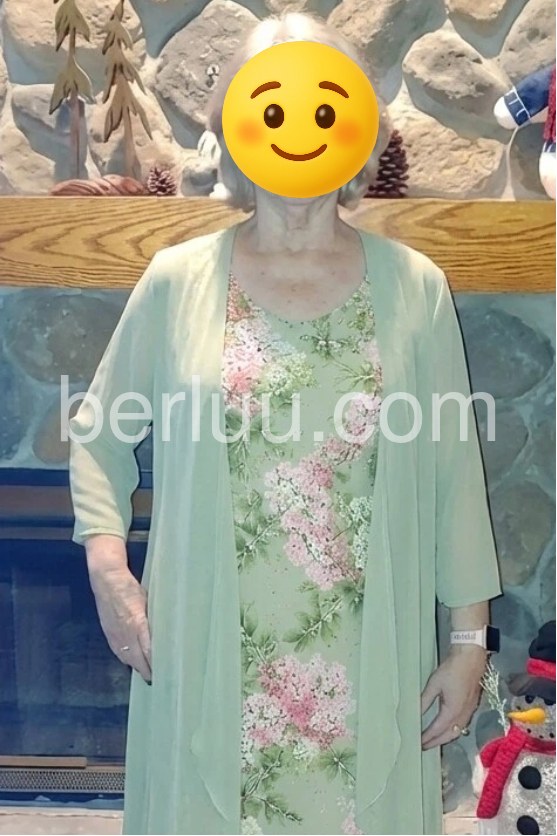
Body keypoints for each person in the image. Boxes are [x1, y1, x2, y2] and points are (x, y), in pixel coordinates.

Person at [69, 12, 502, 836]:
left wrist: (468, 641)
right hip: (206, 650)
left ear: (355, 128)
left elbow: (452, 475)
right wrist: (109, 573)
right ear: (234, 126)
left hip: (368, 661)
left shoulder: (414, 287)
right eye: (271, 105)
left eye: (321, 106)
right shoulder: (176, 281)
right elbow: (98, 433)